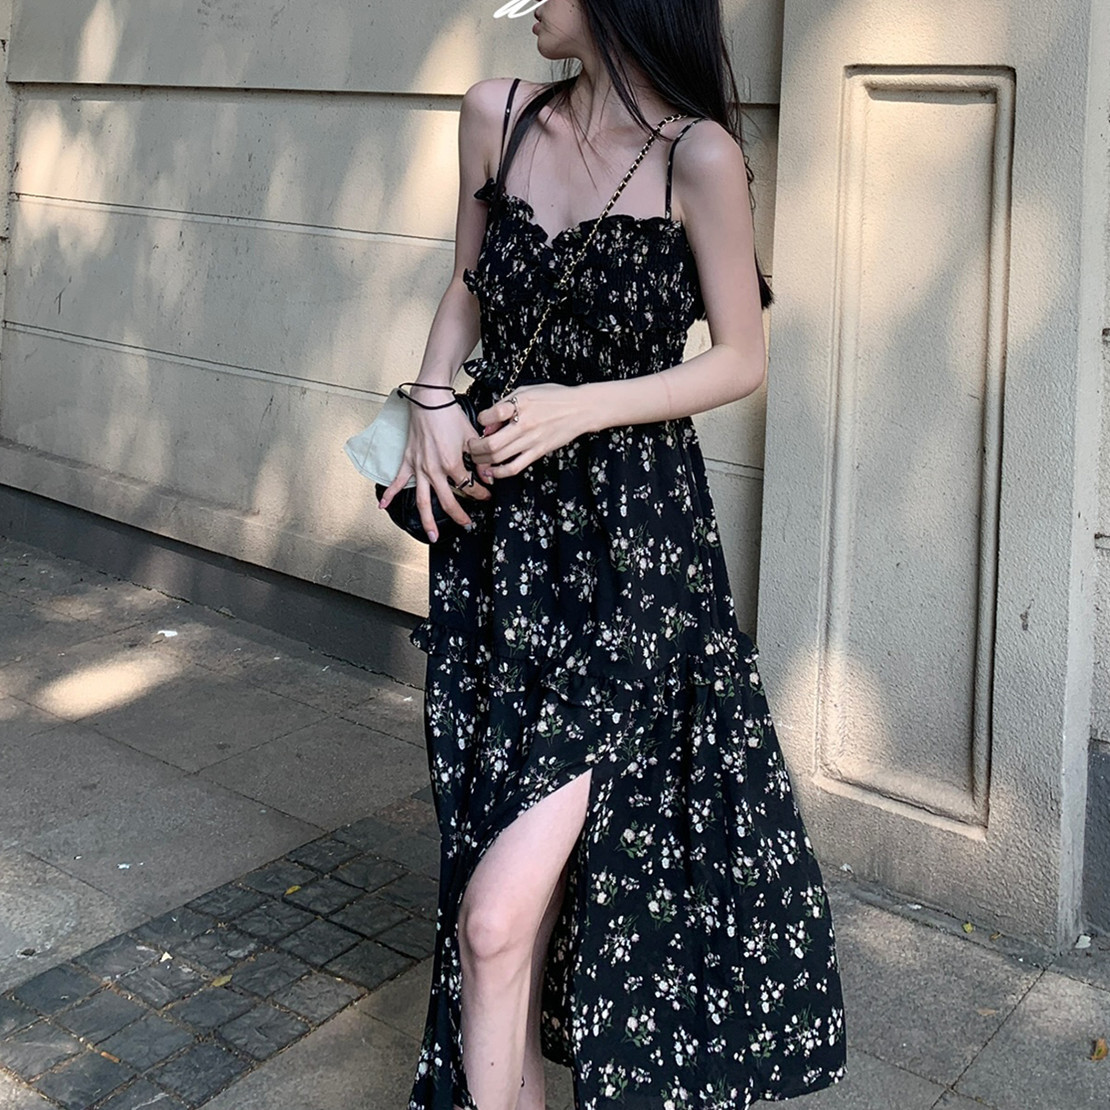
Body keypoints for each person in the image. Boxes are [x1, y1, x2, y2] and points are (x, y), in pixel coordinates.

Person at [378, 2, 847, 1107]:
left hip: (635, 560)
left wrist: (579, 407)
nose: (521, 4)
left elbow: (739, 358)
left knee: (496, 916)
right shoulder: (495, 115)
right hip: (503, 551)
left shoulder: (699, 156)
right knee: (497, 914)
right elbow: (468, 286)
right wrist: (432, 394)